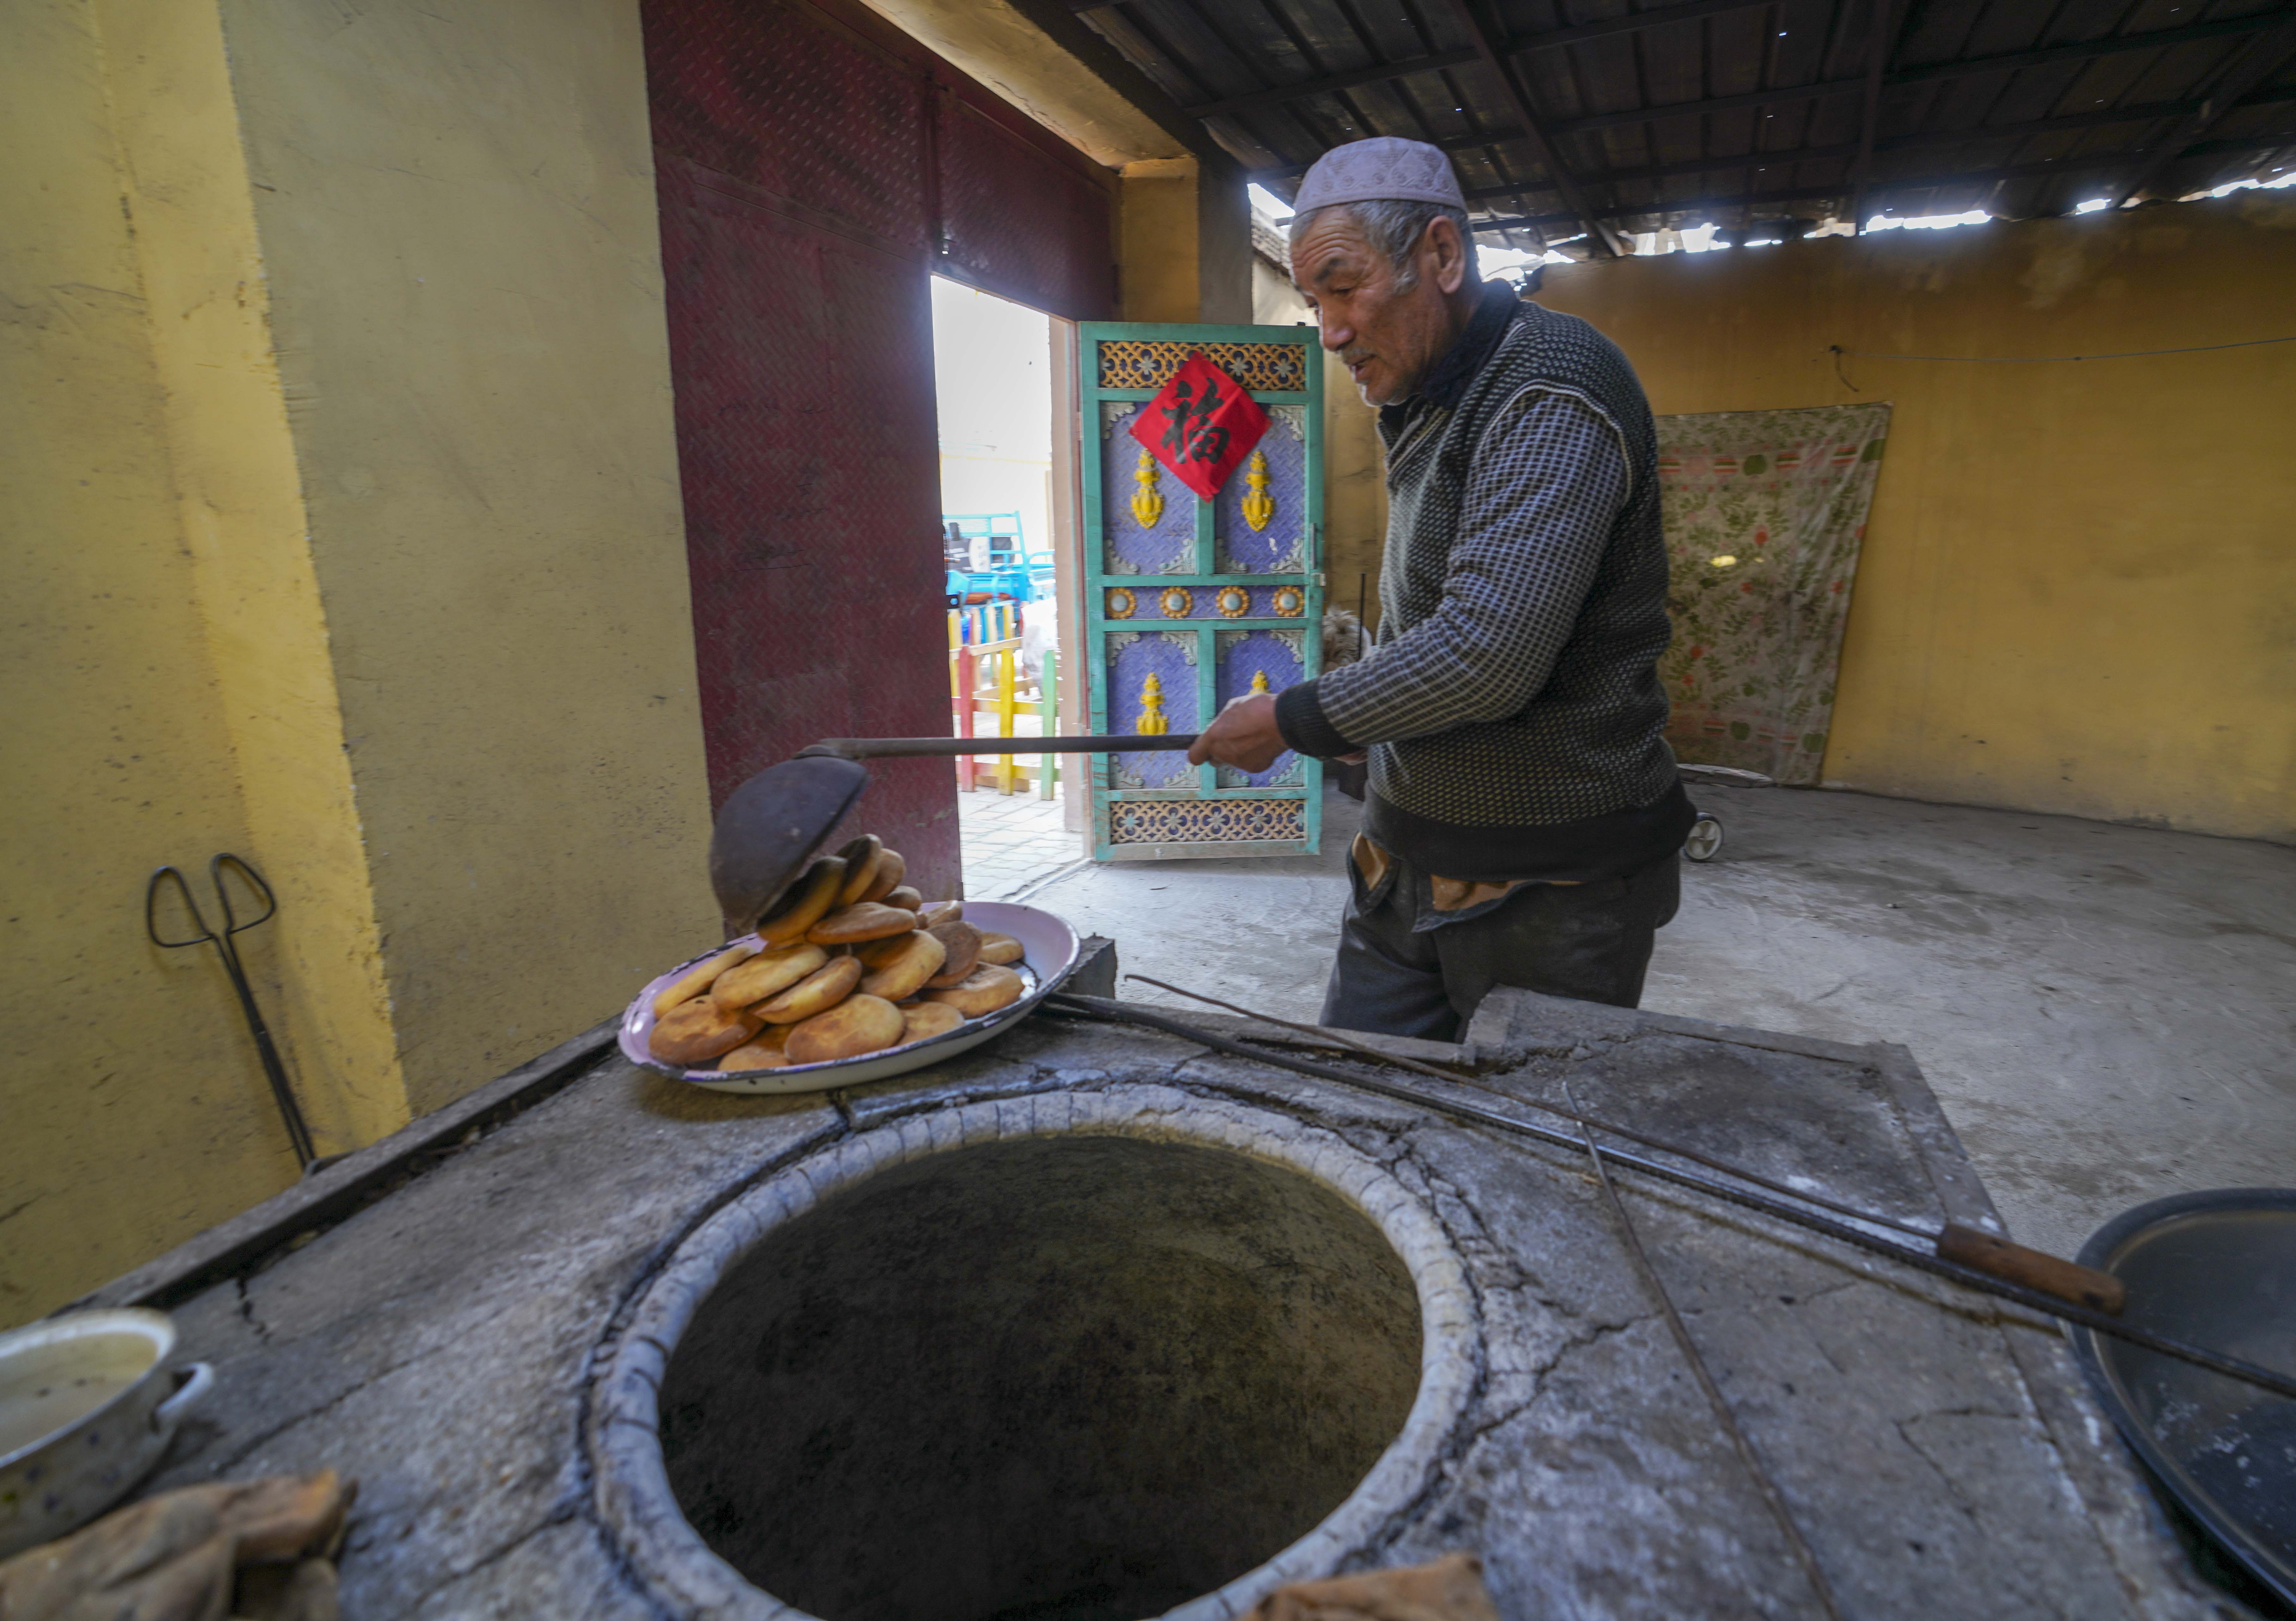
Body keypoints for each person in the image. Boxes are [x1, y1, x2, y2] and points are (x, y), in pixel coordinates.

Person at [1188, 137, 1694, 1041]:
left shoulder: (1551, 387)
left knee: (1523, 1146)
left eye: (1345, 287)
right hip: (1403, 857)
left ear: (1442, 256)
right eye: (1314, 303)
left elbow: (1486, 654)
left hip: (1552, 883)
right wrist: (1364, 747)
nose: (1330, 331)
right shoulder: (1429, 396)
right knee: (1361, 1109)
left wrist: (1294, 720)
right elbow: (1424, 615)